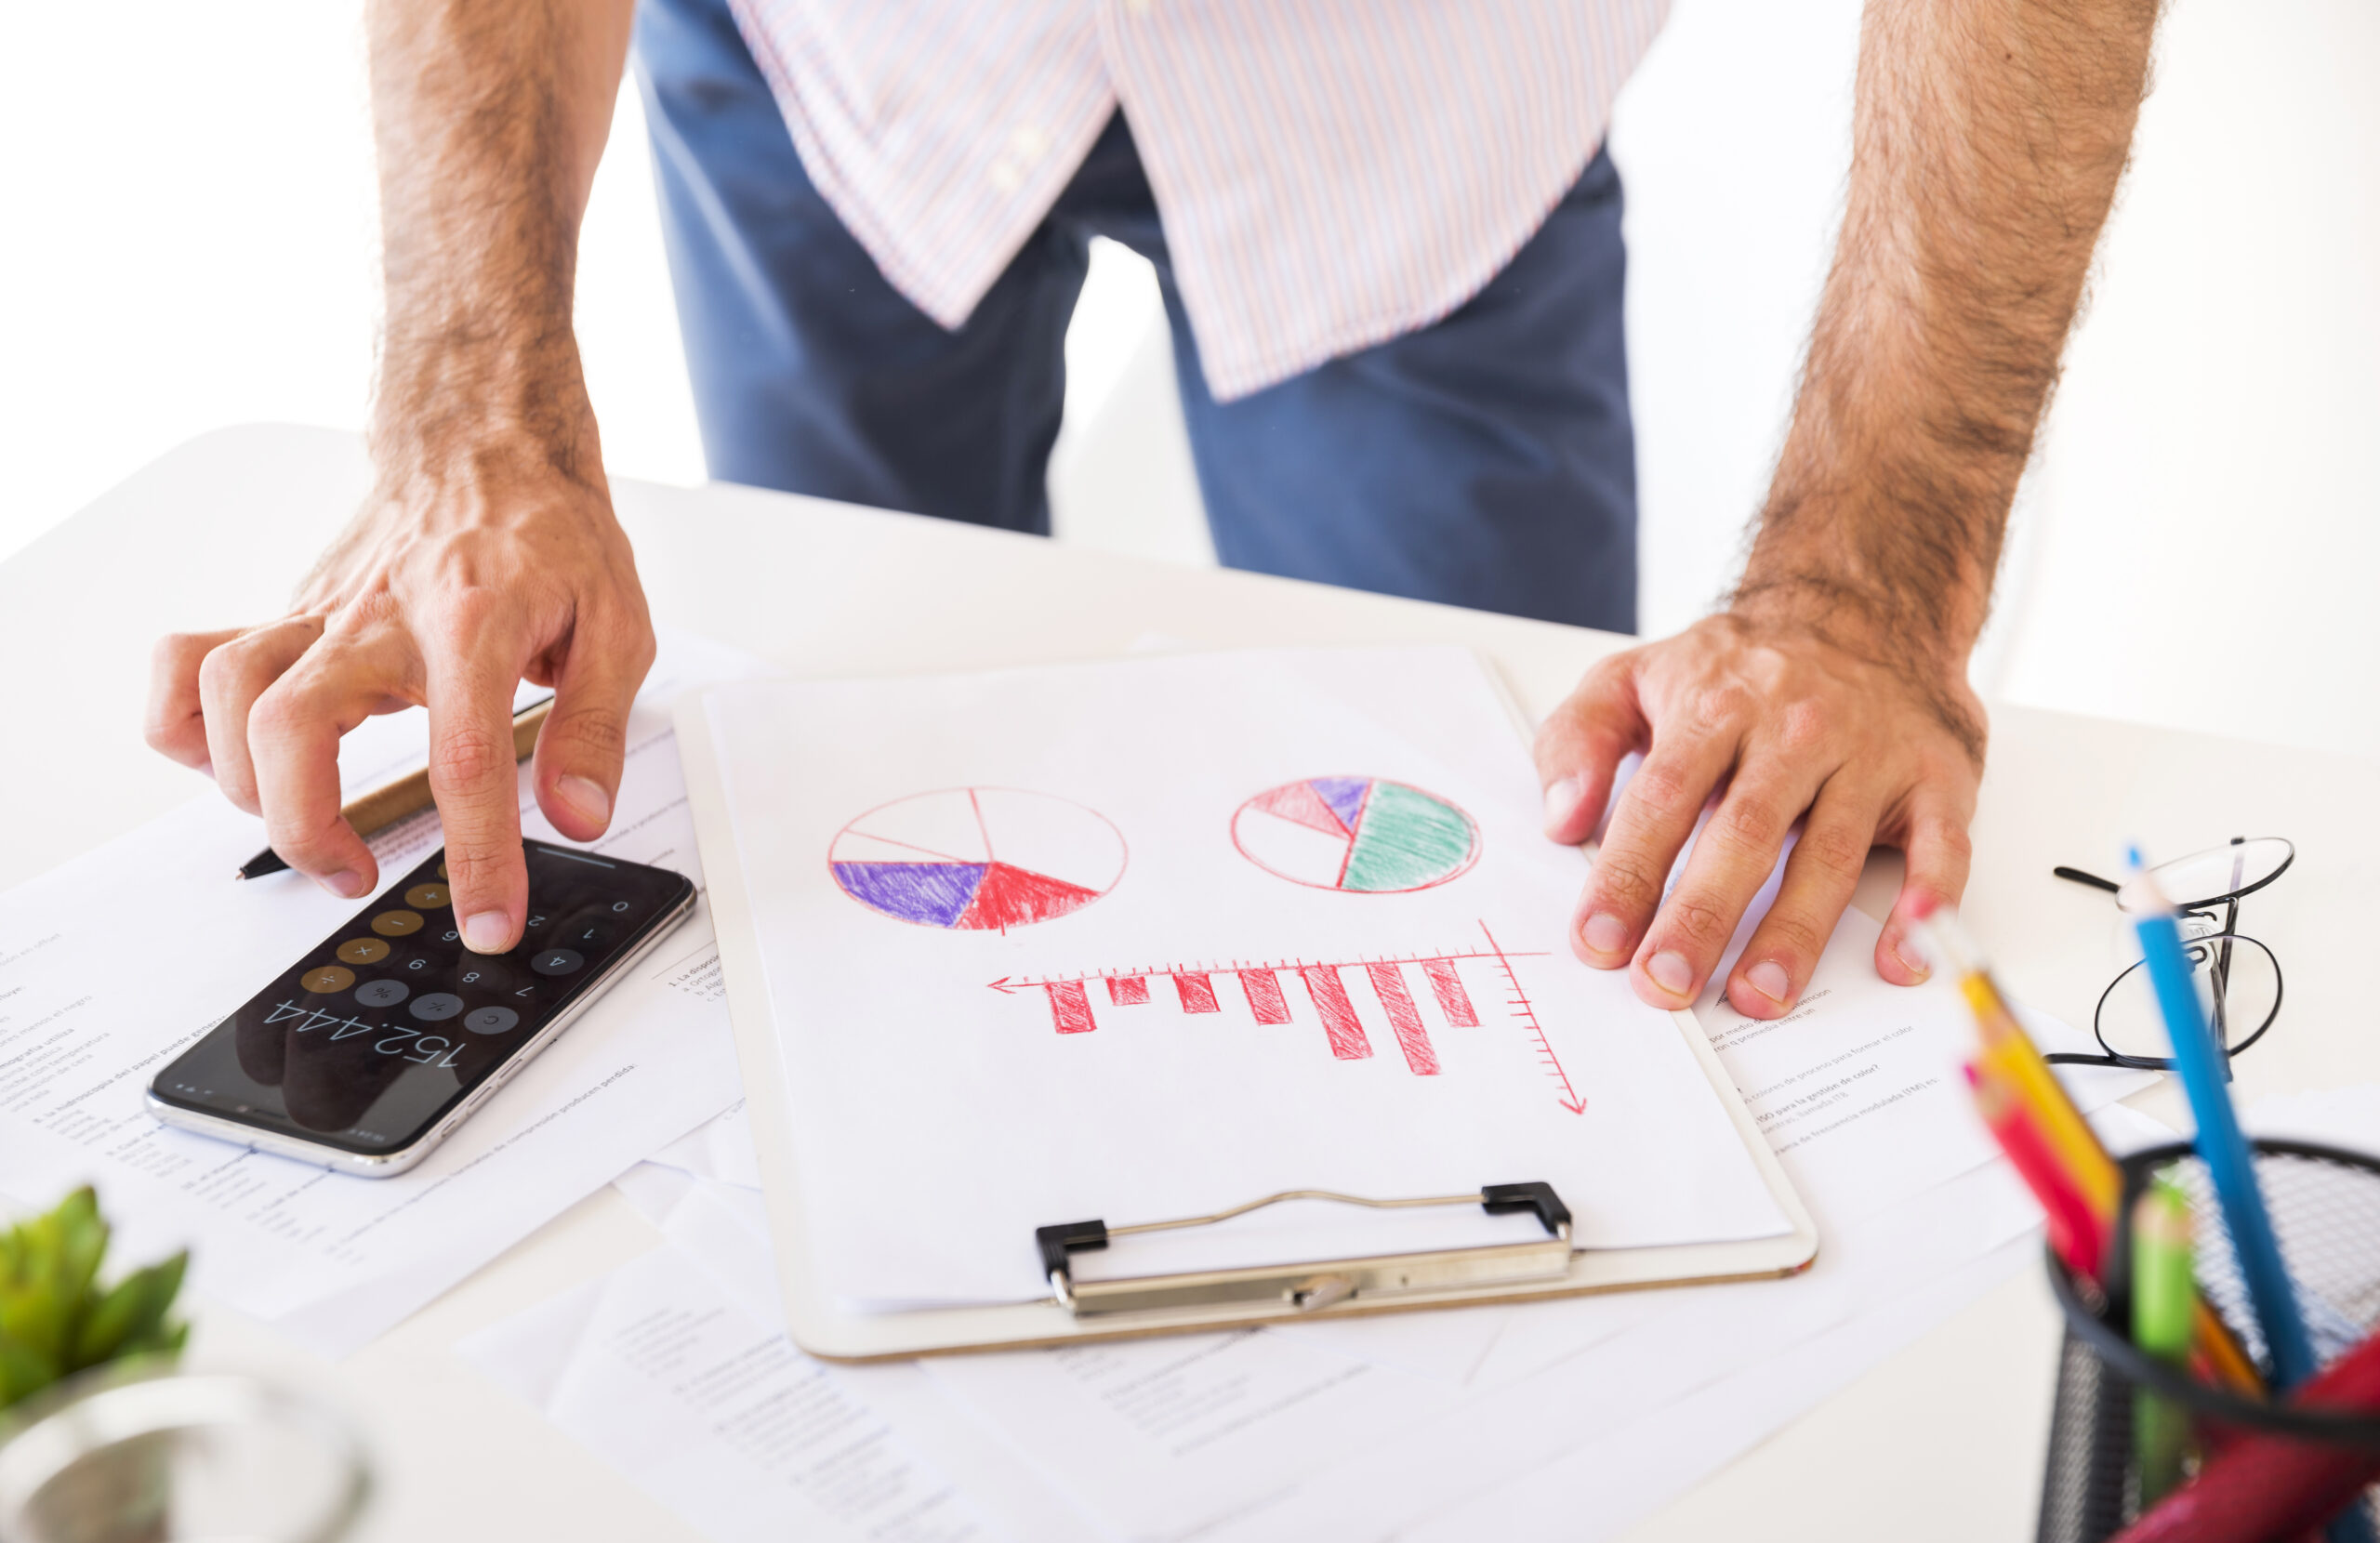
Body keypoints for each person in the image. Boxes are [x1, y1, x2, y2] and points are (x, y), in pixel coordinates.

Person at [143, 0, 2159, 1022]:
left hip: (1424, 116)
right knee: (827, 822)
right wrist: (470, 406)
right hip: (840, 74)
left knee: (1508, 878)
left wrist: (1864, 586)